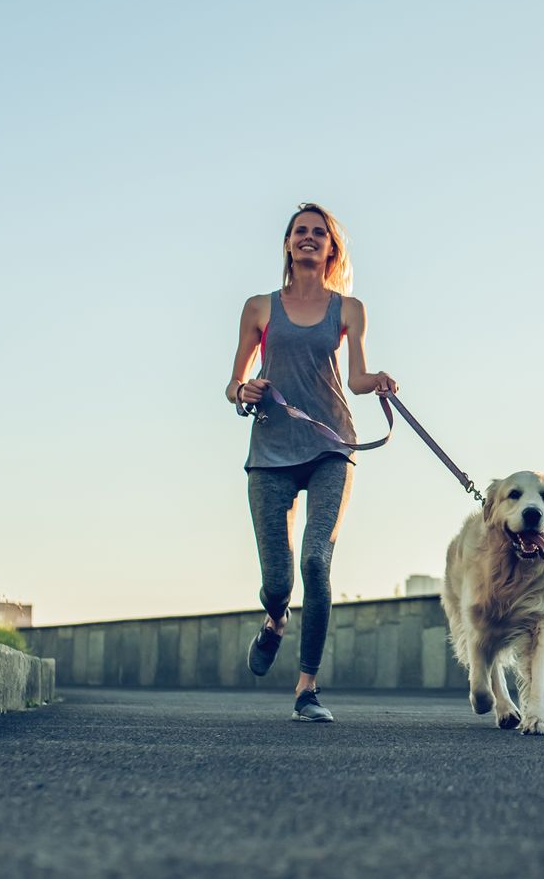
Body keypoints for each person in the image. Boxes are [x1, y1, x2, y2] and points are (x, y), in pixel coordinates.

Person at [226, 202, 397, 723]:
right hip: (271, 452)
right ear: (287, 244)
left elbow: (356, 378)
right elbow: (233, 383)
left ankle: (307, 689)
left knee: (317, 561)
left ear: (330, 248)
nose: (308, 238)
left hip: (330, 446)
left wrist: (380, 383)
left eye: (318, 233)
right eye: (300, 231)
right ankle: (275, 621)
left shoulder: (348, 309)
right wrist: (245, 388)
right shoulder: (259, 307)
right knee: (278, 582)